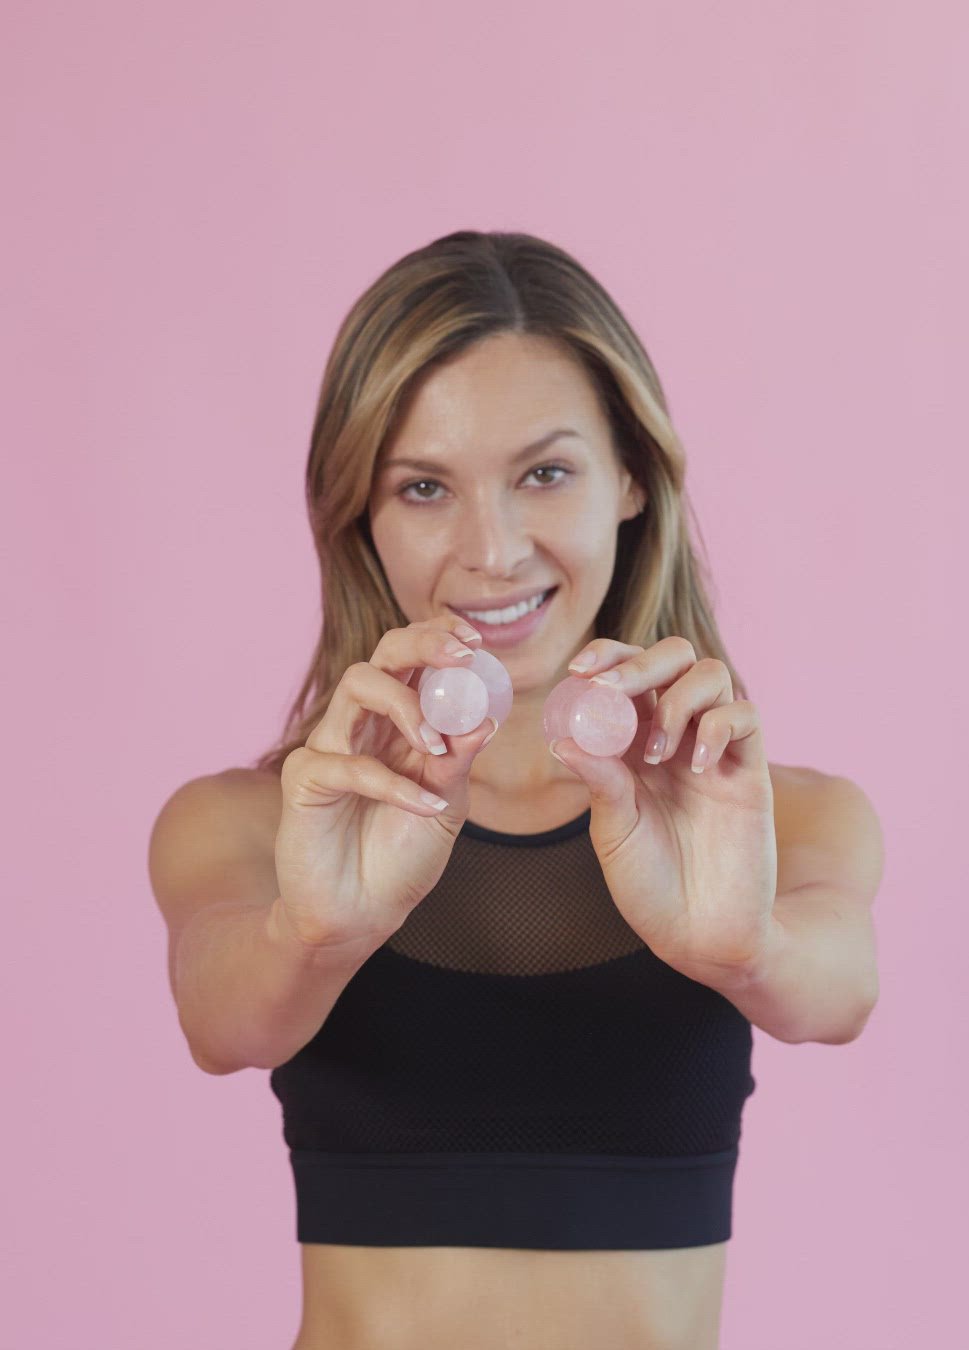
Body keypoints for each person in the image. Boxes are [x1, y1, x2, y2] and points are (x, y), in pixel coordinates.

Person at [148, 229, 883, 1350]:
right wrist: (316, 933)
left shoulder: (780, 819)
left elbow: (842, 993)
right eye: (424, 487)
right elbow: (219, 1022)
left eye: (545, 473)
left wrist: (745, 950)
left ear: (631, 476)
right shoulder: (256, 824)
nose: (491, 550)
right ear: (360, 515)